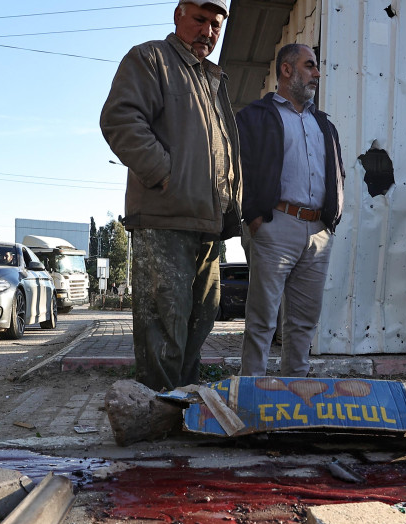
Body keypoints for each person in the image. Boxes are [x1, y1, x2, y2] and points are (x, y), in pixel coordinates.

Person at [99, 0, 241, 391]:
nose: (208, 31)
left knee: (199, 324)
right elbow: (119, 119)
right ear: (178, 14)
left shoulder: (212, 78)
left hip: (208, 224)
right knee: (164, 326)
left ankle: (183, 410)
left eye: (216, 24)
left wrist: (230, 204)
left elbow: (220, 149)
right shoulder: (151, 59)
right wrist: (165, 174)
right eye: (200, 19)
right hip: (166, 219)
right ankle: (156, 414)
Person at [236, 43, 345, 377]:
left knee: (303, 322)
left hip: (318, 232)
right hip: (275, 224)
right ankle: (251, 393)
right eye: (309, 66)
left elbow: (337, 173)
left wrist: (332, 219)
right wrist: (254, 217)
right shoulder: (254, 116)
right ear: (286, 70)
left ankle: (294, 395)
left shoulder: (324, 124)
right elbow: (238, 170)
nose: (317, 74)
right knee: (263, 320)